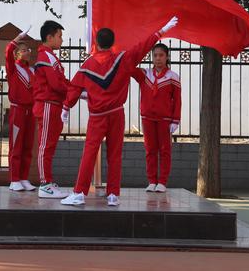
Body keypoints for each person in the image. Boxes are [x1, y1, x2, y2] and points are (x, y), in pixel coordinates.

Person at [60, 17, 178, 207]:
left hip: (97, 117)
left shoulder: (87, 65)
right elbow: (142, 46)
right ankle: (113, 194)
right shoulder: (122, 59)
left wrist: (66, 107)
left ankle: (79, 193)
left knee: (89, 153)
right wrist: (161, 31)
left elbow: (74, 87)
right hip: (117, 114)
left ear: (97, 43)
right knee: (115, 154)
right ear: (113, 43)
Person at [132, 43, 181, 193]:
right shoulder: (144, 74)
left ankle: (162, 182)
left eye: (161, 55)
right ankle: (152, 181)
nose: (158, 58)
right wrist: (141, 48)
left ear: (167, 57)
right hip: (147, 118)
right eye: (155, 55)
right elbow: (129, 66)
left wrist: (175, 120)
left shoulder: (173, 77)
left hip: (165, 119)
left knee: (165, 150)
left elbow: (178, 100)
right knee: (150, 150)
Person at [33, 20, 70, 198]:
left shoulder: (51, 56)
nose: (61, 40)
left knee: (50, 145)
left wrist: (78, 90)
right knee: (45, 146)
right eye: (59, 36)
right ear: (49, 37)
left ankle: (48, 181)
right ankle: (44, 183)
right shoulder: (45, 56)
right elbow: (56, 84)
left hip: (54, 105)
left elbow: (61, 81)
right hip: (47, 104)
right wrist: (74, 91)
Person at [5, 27, 36, 191]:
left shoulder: (32, 70)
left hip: (31, 111)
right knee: (16, 145)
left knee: (28, 146)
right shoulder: (13, 68)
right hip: (17, 110)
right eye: (23, 50)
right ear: (17, 54)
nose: (27, 52)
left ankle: (24, 178)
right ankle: (14, 179)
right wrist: (18, 38)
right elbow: (8, 50)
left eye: (28, 50)